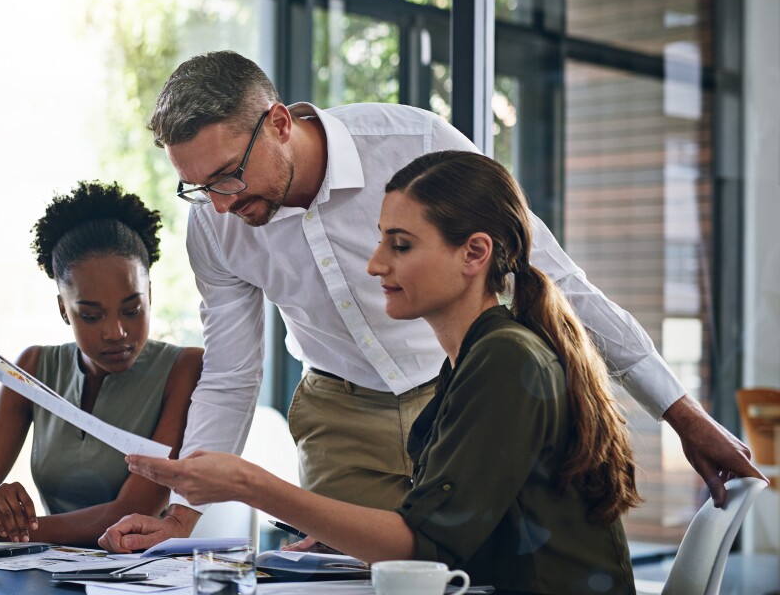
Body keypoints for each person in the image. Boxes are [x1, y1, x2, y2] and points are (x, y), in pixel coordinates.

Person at [100, 50, 762, 552]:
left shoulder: (414, 148)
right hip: (339, 417)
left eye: (227, 175)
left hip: (456, 399)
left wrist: (683, 417)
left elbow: (557, 282)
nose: (219, 202)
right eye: (197, 187)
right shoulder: (215, 225)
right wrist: (180, 519)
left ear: (278, 123)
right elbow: (233, 370)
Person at [127, 151, 641, 593]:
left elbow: (425, 547)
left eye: (401, 245)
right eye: (381, 241)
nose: (375, 265)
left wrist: (248, 483)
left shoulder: (504, 359)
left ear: (474, 253)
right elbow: (447, 527)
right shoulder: (476, 357)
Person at [0, 182, 202, 546]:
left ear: (151, 296)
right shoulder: (33, 367)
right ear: (64, 310)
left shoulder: (185, 368)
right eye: (91, 315)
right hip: (55, 573)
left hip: (153, 577)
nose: (116, 332)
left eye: (132, 310)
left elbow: (130, 514)